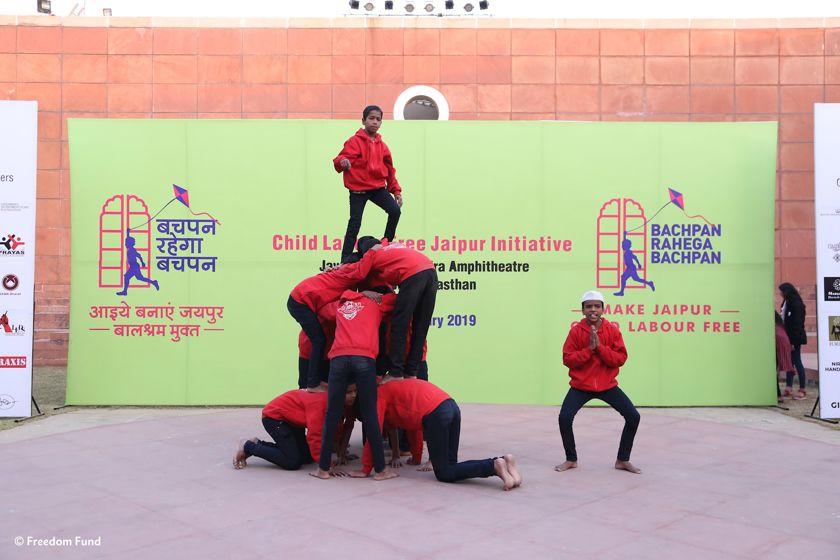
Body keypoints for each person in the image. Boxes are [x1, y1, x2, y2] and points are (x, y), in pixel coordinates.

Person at [353, 378, 522, 490]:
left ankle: (493, 465)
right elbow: (413, 425)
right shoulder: (394, 389)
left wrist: (365, 468)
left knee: (444, 473)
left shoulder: (378, 396)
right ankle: (506, 461)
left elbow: (373, 432)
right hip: (451, 406)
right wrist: (416, 458)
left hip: (436, 414)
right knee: (452, 465)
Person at [311, 289, 399, 481]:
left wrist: (343, 294)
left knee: (332, 415)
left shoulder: (339, 305)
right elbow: (399, 300)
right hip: (364, 358)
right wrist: (375, 293)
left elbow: (321, 308)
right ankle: (381, 471)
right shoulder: (376, 302)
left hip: (338, 359)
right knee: (370, 415)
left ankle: (323, 469)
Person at [555, 290, 641, 474]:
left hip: (607, 385)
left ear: (603, 309)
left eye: (596, 306)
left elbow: (620, 359)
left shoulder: (612, 330)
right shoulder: (576, 331)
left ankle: (623, 460)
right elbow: (568, 359)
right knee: (564, 418)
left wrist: (600, 349)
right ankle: (571, 459)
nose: (593, 310)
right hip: (581, 386)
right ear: (582, 310)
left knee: (633, 416)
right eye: (588, 306)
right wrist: (589, 350)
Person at [287, 259, 375, 392]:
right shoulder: (343, 285)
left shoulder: (342, 287)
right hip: (311, 351)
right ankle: (312, 385)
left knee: (330, 392)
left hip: (330, 351)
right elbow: (328, 312)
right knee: (306, 391)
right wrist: (360, 297)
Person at [357, 236, 437, 379]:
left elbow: (355, 271)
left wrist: (361, 292)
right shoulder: (392, 246)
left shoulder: (372, 255)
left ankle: (395, 372)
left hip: (412, 274)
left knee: (400, 324)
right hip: (430, 271)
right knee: (421, 326)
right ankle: (412, 372)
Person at [334, 105, 403, 263]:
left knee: (395, 211)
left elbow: (390, 171)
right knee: (355, 223)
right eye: (371, 118)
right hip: (358, 190)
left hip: (377, 188)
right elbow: (340, 158)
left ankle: (386, 243)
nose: (375, 122)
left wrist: (396, 191)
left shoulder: (382, 146)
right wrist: (343, 162)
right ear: (363, 120)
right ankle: (345, 259)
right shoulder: (354, 142)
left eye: (378, 119)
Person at [232, 384, 357, 471]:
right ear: (339, 392)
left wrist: (341, 453)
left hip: (293, 420)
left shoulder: (346, 403)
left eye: (355, 391)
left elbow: (346, 426)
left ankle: (258, 443)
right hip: (274, 418)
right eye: (348, 392)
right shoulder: (321, 403)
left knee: (308, 457)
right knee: (292, 462)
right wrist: (326, 466)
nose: (353, 395)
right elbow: (314, 435)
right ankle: (249, 446)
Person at [779, 282, 808, 399]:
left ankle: (802, 388)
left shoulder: (797, 305)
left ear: (787, 292)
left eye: (781, 291)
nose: (780, 293)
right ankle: (789, 387)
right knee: (789, 362)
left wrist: (792, 341)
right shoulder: (786, 302)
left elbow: (797, 324)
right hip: (787, 336)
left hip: (795, 338)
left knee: (796, 361)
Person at [116, 230, 159, 296]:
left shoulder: (132, 250)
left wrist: (142, 263)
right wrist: (128, 233)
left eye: (126, 243)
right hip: (134, 266)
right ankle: (153, 282)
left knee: (127, 277)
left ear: (130, 244)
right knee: (140, 278)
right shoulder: (130, 248)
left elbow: (139, 255)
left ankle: (125, 291)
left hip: (134, 266)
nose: (125, 244)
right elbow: (128, 239)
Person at [775, 312, 794, 404]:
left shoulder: (774, 326)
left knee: (771, 372)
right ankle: (777, 395)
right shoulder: (779, 324)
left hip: (777, 345)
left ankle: (777, 395)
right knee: (773, 372)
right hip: (781, 344)